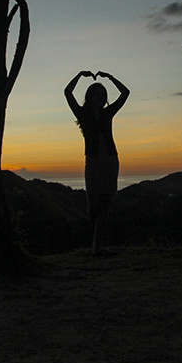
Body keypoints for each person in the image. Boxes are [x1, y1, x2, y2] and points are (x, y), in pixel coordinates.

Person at [64, 70, 129, 257]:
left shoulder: (108, 113)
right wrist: (78, 75)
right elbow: (67, 93)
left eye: (103, 95)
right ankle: (96, 242)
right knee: (92, 204)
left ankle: (96, 247)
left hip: (110, 160)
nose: (101, 98)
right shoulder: (82, 114)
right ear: (90, 96)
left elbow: (125, 93)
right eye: (97, 94)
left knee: (105, 203)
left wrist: (110, 77)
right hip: (93, 161)